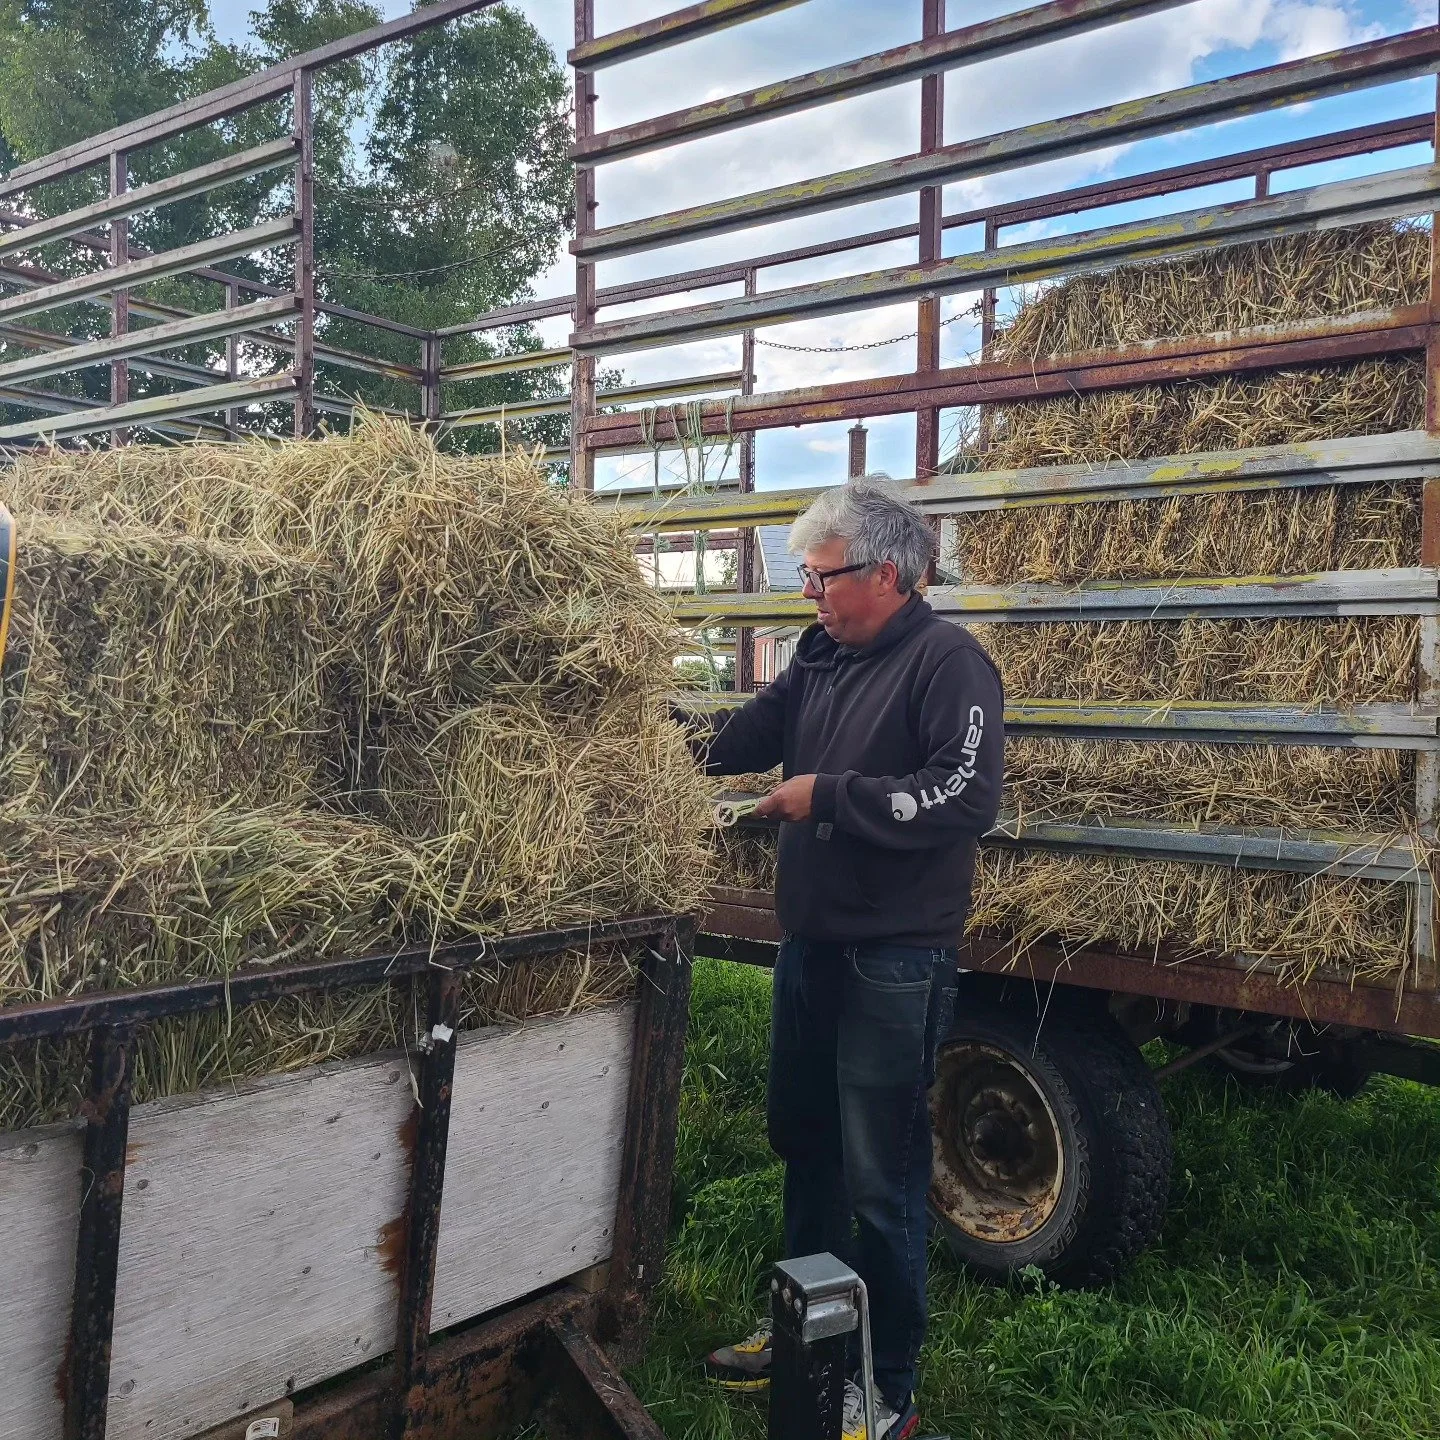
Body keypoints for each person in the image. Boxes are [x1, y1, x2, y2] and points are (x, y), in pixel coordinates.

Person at [678, 477, 1004, 1440]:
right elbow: (745, 737)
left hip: (894, 961)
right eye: (806, 579)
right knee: (806, 1145)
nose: (809, 596)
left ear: (893, 574)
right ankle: (802, 1330)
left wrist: (830, 797)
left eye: (822, 578)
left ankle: (887, 1382)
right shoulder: (819, 656)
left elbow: (963, 794)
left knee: (883, 1173)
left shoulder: (950, 664)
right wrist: (635, 734)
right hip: (811, 948)